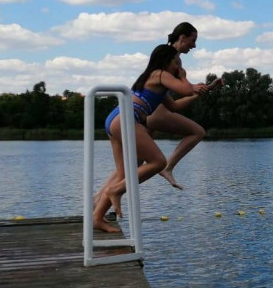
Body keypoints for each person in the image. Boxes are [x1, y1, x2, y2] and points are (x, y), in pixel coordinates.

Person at [92, 44, 199, 233]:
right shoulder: (159, 73)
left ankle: (97, 218)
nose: (178, 67)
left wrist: (196, 94)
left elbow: (174, 106)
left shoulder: (155, 81)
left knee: (124, 175)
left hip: (116, 118)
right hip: (127, 118)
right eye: (176, 63)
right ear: (166, 61)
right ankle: (115, 190)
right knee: (158, 162)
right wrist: (183, 76)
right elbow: (185, 89)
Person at [149, 22, 221, 189]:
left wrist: (205, 88)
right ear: (182, 37)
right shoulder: (169, 58)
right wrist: (197, 88)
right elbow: (186, 89)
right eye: (193, 40)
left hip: (152, 111)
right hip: (157, 112)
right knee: (197, 132)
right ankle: (168, 167)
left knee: (134, 168)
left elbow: (178, 100)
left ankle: (100, 199)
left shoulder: (171, 58)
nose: (194, 46)